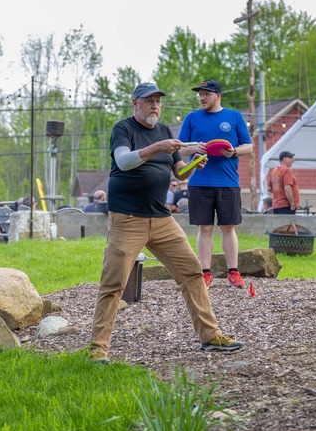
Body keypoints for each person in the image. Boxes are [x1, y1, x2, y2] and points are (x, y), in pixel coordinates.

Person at [88, 82, 242, 363]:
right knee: (114, 283)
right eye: (148, 101)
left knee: (193, 272)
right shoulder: (123, 129)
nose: (155, 105)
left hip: (161, 218)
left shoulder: (164, 131)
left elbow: (179, 174)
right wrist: (157, 147)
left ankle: (210, 336)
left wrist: (195, 163)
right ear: (135, 103)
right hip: (128, 219)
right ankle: (98, 349)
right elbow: (123, 162)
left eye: (158, 100)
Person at [177, 79, 253, 289]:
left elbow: (249, 146)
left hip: (228, 182)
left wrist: (234, 151)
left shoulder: (234, 117)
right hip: (199, 182)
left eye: (206, 94)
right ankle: (206, 273)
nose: (202, 97)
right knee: (205, 228)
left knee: (228, 227)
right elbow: (180, 149)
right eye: (199, 94)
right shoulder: (191, 118)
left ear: (218, 96)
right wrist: (194, 148)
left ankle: (233, 272)